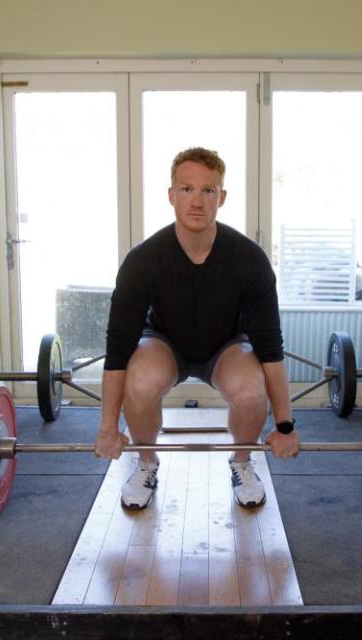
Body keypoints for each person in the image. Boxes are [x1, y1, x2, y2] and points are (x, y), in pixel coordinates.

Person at [94, 147, 300, 510]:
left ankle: (241, 462)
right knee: (139, 383)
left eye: (208, 190)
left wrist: (284, 426)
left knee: (252, 392)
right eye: (187, 189)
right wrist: (108, 428)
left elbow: (270, 346)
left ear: (221, 197)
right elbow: (118, 348)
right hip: (164, 343)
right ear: (171, 195)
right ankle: (146, 462)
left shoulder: (248, 259)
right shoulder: (143, 261)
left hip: (226, 346)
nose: (197, 201)